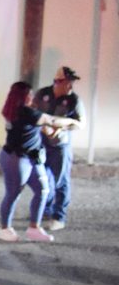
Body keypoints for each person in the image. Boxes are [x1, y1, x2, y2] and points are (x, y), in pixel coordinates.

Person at [0, 81, 79, 243]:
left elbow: (43, 128)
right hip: (17, 159)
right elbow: (52, 121)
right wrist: (73, 122)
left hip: (31, 158)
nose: (32, 96)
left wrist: (52, 130)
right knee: (13, 193)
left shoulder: (16, 111)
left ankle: (34, 228)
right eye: (29, 94)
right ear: (23, 96)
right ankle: (5, 229)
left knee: (43, 190)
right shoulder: (25, 112)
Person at [36, 66, 86, 231]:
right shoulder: (43, 94)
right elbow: (32, 114)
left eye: (71, 83)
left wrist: (62, 125)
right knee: (43, 179)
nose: (70, 86)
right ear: (58, 81)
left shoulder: (74, 100)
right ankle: (45, 210)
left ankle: (59, 217)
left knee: (61, 181)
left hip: (60, 146)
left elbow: (80, 123)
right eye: (67, 82)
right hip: (41, 143)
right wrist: (43, 126)